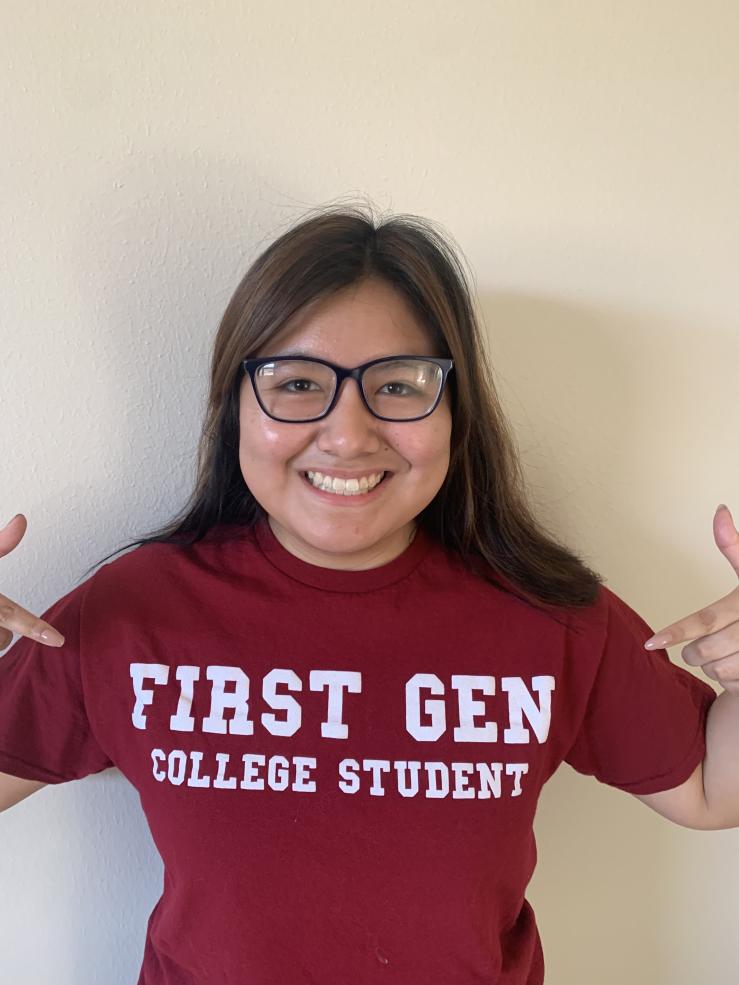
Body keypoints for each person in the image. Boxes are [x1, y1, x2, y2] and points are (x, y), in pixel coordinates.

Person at [1, 204, 738, 985]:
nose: (347, 434)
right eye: (295, 383)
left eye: (396, 384)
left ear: (456, 410)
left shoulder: (551, 614)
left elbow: (706, 793)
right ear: (234, 409)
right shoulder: (132, 607)